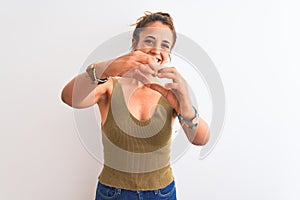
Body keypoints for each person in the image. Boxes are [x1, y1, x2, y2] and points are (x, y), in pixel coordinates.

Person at [61, 11, 210, 200]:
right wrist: (105, 67)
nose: (157, 50)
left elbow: (201, 140)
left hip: (162, 193)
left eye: (165, 45)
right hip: (113, 194)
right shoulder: (108, 85)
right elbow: (68, 97)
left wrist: (186, 107)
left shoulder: (172, 92)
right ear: (134, 43)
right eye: (149, 40)